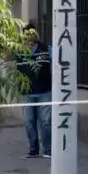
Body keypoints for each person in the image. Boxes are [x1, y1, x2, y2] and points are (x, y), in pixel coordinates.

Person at [15, 24, 52, 158]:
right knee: (29, 122)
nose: (29, 37)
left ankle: (48, 149)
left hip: (44, 92)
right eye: (26, 35)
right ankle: (33, 148)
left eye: (31, 34)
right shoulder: (19, 52)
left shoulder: (46, 49)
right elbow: (6, 57)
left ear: (36, 35)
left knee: (45, 122)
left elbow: (59, 62)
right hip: (27, 93)